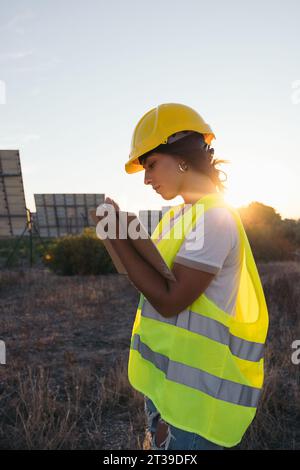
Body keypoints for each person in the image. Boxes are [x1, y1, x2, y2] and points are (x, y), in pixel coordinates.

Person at [105, 103, 269, 450]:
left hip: (199, 404)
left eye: (150, 165)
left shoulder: (215, 219)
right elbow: (157, 279)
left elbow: (170, 300)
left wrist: (117, 239)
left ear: (181, 156)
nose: (147, 179)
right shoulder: (179, 216)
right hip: (167, 388)